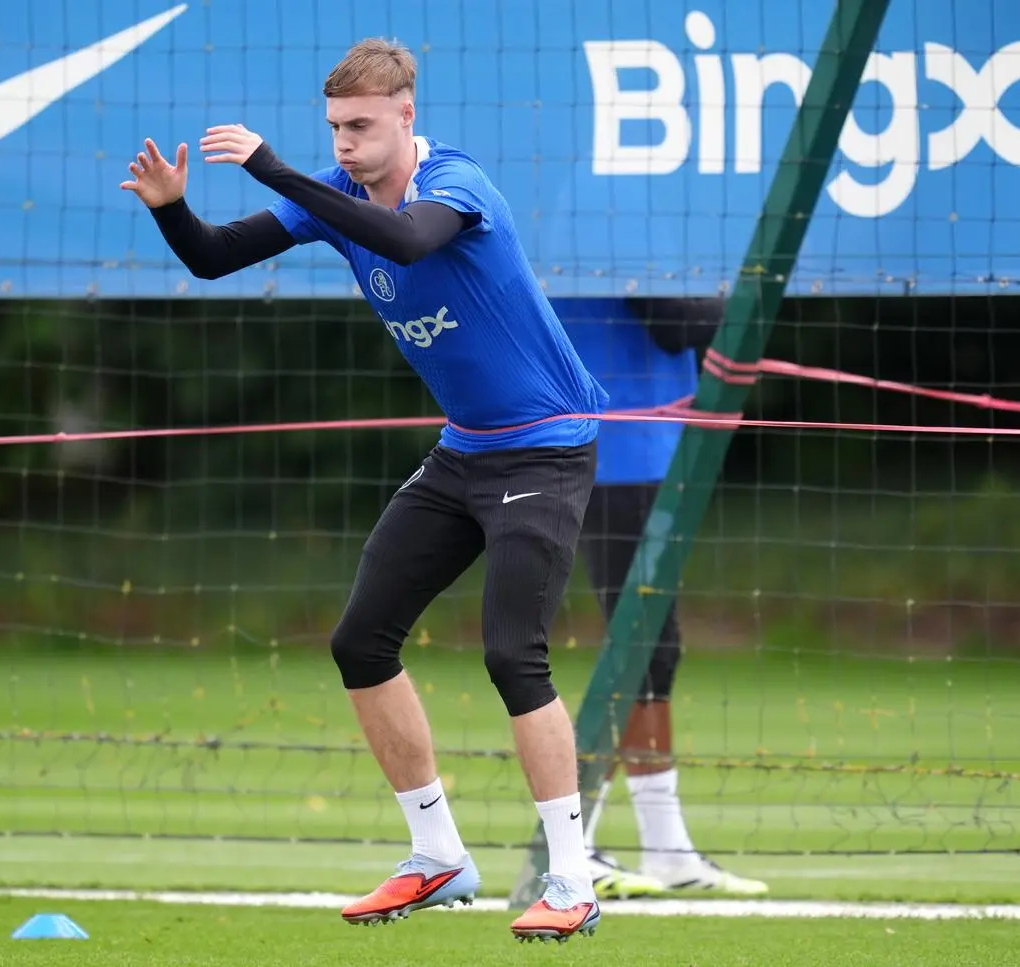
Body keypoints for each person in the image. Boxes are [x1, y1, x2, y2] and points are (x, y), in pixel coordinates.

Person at [121, 38, 607, 942]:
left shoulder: (457, 185)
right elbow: (212, 258)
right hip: (465, 453)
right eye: (335, 128)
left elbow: (408, 241)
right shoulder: (337, 197)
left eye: (361, 126)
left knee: (513, 655)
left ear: (405, 117)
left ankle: (572, 879)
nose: (345, 144)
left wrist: (275, 168)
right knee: (359, 640)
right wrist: (172, 209)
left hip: (543, 450)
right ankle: (437, 857)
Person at [555, 296, 769, 899]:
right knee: (638, 647)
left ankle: (666, 850)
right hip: (619, 444)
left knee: (650, 652)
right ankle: (574, 848)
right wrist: (749, 298)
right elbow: (678, 321)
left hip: (641, 442)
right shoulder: (616, 222)